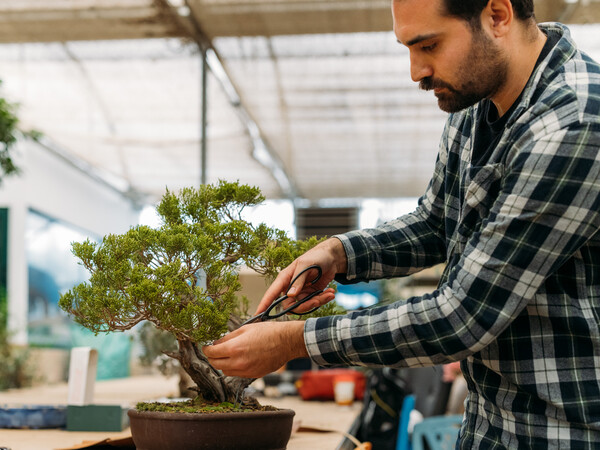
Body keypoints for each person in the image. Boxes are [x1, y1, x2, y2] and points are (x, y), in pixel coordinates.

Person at [203, 0, 600, 447]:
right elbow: (436, 223)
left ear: (497, 15)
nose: (416, 72)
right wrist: (339, 253)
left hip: (564, 430)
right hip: (490, 422)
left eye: (428, 45)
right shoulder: (476, 104)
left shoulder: (574, 124)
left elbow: (462, 316)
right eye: (407, 48)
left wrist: (294, 341)